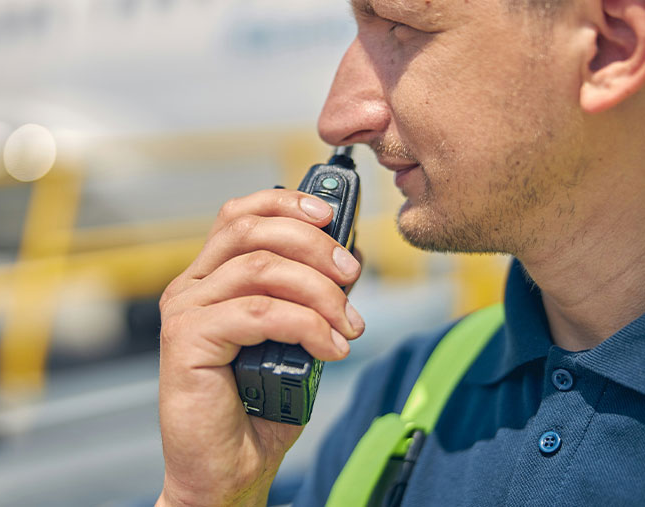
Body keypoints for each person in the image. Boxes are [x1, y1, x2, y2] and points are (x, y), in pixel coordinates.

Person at [155, 0, 645, 504]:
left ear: (610, 48)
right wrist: (209, 496)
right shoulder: (406, 392)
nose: (337, 119)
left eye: (400, 26)